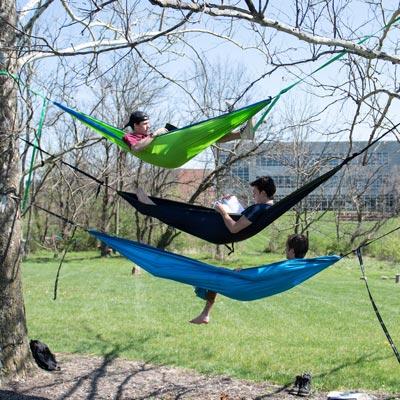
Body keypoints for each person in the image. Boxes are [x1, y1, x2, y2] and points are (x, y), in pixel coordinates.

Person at [189, 233, 309, 324]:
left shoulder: (287, 266)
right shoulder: (302, 266)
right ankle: (205, 312)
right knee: (216, 276)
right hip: (253, 288)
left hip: (246, 288)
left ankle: (204, 309)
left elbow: (263, 274)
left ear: (292, 251)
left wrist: (241, 274)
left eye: (286, 247)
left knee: (213, 275)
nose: (285, 250)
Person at [122, 111, 255, 152]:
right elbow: (136, 147)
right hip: (173, 150)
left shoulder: (146, 135)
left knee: (209, 136)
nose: (148, 126)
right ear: (135, 125)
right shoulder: (130, 136)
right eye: (145, 124)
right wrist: (155, 134)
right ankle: (231, 121)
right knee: (207, 131)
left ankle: (242, 133)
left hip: (176, 145)